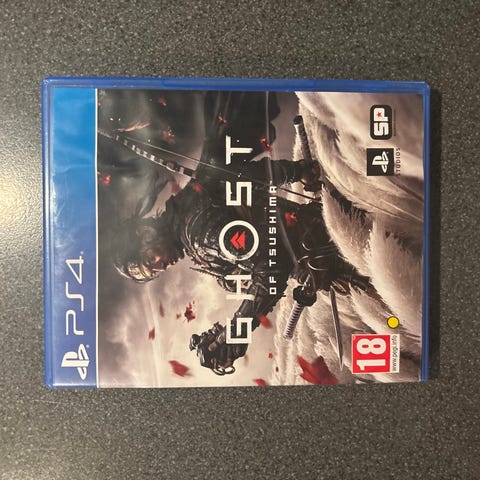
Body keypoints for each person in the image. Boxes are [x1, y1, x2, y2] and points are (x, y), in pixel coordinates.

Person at [113, 156, 368, 374]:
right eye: (153, 271)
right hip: (329, 235)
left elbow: (271, 268)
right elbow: (246, 176)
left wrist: (233, 337)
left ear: (146, 234)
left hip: (333, 250)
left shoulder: (200, 235)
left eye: (151, 260)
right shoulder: (192, 208)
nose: (160, 267)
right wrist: (295, 170)